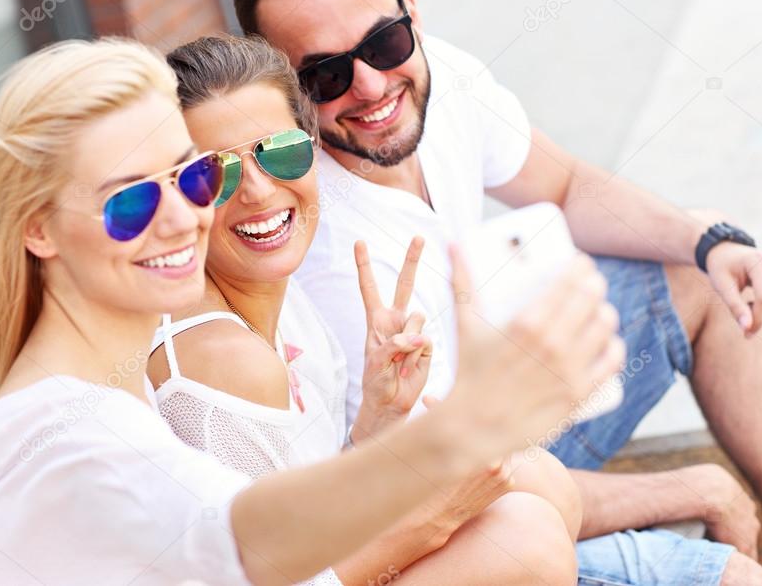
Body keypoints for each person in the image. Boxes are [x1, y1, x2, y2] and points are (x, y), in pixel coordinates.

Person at [228, 0, 762, 584]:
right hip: (461, 516)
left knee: (707, 271)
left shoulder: (443, 80)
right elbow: (454, 491)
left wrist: (713, 242)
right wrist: (689, 488)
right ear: (283, 93)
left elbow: (564, 185)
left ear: (411, 13)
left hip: (512, 426)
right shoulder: (312, 248)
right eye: (325, 75)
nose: (372, 87)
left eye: (382, 44)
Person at [0, 36, 622, 585]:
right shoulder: (69, 441)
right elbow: (243, 541)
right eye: (127, 200)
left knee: (529, 492)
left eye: (188, 177)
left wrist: (384, 422)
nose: (180, 218)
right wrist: (463, 431)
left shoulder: (95, 394)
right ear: (36, 229)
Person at [152, 33, 586, 585]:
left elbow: (311, 497)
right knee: (526, 540)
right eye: (215, 175)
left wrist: (377, 419)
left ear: (312, 146)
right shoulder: (221, 360)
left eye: (279, 152)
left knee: (536, 478)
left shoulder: (283, 299)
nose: (258, 192)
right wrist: (430, 518)